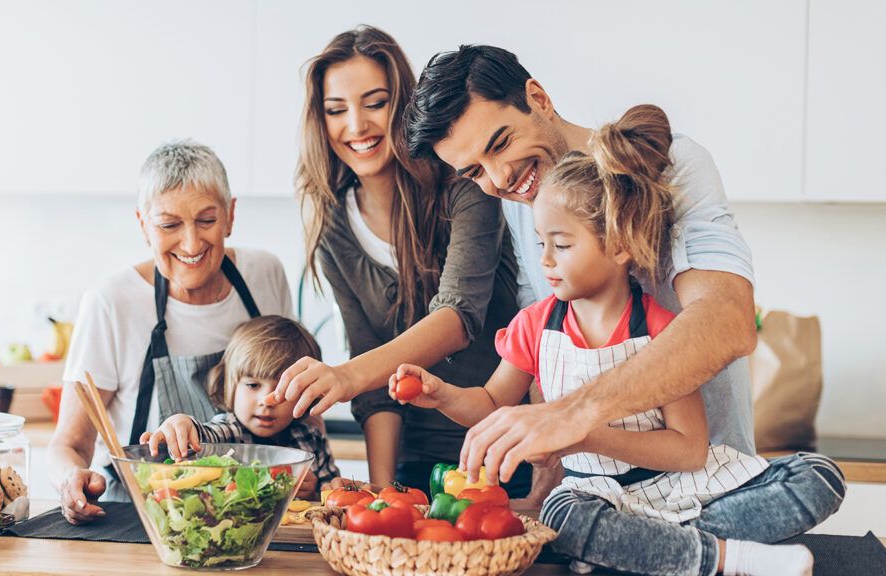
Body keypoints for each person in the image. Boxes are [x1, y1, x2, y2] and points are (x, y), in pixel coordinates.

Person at [392, 105, 844, 576]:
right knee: (564, 516)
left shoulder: (664, 331)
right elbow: (491, 404)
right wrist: (441, 395)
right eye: (541, 243)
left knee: (819, 477)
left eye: (562, 245)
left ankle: (649, 551)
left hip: (680, 487)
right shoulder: (534, 326)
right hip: (597, 497)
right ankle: (727, 557)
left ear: (618, 245)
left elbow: (689, 451)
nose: (545, 260)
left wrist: (583, 430)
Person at [403, 45, 763, 492]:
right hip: (598, 493)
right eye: (474, 171)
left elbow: (728, 321)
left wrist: (574, 415)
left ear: (538, 98)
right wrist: (545, 485)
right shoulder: (523, 201)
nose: (500, 180)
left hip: (712, 482)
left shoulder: (673, 165)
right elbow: (544, 356)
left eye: (500, 143)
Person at [275, 25, 530, 496]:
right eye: (336, 110)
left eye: (375, 103)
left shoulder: (465, 186)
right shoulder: (333, 226)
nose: (356, 126)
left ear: (404, 105)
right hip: (415, 464)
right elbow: (373, 387)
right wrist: (382, 492)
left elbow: (457, 317)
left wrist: (344, 377)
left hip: (505, 450)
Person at [48, 141, 293, 524]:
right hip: (142, 520)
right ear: (143, 225)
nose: (192, 243)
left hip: (250, 515)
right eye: (169, 225)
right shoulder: (111, 302)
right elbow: (70, 443)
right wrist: (70, 481)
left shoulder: (264, 275)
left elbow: (298, 401)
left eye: (207, 220)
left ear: (230, 215)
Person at [141, 315, 340, 501]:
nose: (267, 401)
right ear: (229, 386)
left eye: (283, 390)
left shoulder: (312, 438)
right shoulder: (229, 430)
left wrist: (315, 492)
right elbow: (204, 436)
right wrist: (182, 423)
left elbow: (333, 494)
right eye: (253, 385)